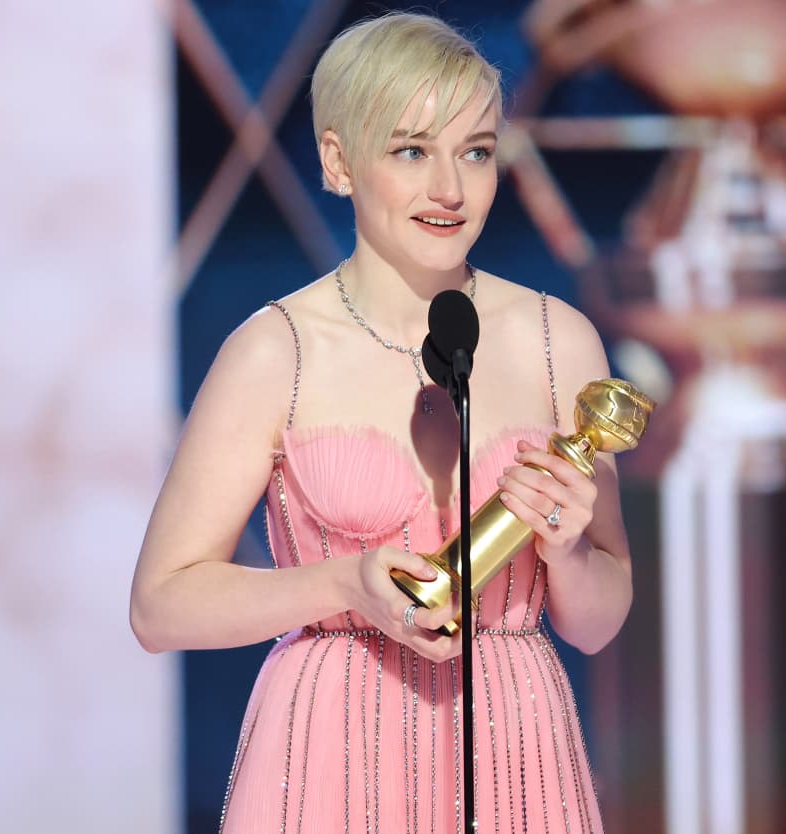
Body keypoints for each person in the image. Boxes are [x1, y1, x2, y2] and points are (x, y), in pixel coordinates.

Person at [129, 11, 633, 834]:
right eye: (411, 151)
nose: (450, 189)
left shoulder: (557, 339)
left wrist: (570, 552)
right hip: (326, 754)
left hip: (515, 744)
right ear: (337, 162)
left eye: (474, 150)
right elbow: (160, 607)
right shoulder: (274, 351)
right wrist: (341, 585)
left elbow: (599, 621)